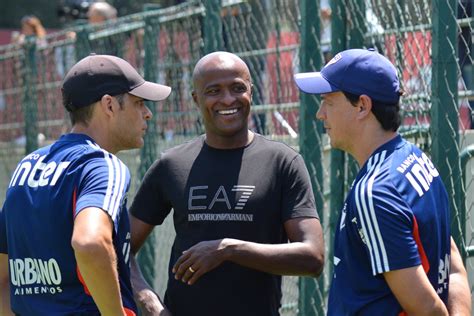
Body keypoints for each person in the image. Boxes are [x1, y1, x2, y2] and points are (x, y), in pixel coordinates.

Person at [129, 51, 325, 316]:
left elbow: (313, 258)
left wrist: (228, 249)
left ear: (251, 93)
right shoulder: (171, 165)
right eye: (213, 91)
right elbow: (119, 250)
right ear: (196, 99)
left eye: (237, 88)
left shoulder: (282, 162)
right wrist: (151, 304)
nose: (228, 99)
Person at [294, 48, 471, 315]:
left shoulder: (374, 192)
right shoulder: (414, 158)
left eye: (328, 101)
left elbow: (428, 309)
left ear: (363, 106)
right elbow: (453, 263)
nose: (320, 114)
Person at [0, 54, 171, 315]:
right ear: (109, 105)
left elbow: (4, 278)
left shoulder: (26, 167)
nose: (147, 114)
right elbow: (90, 242)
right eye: (138, 103)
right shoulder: (101, 165)